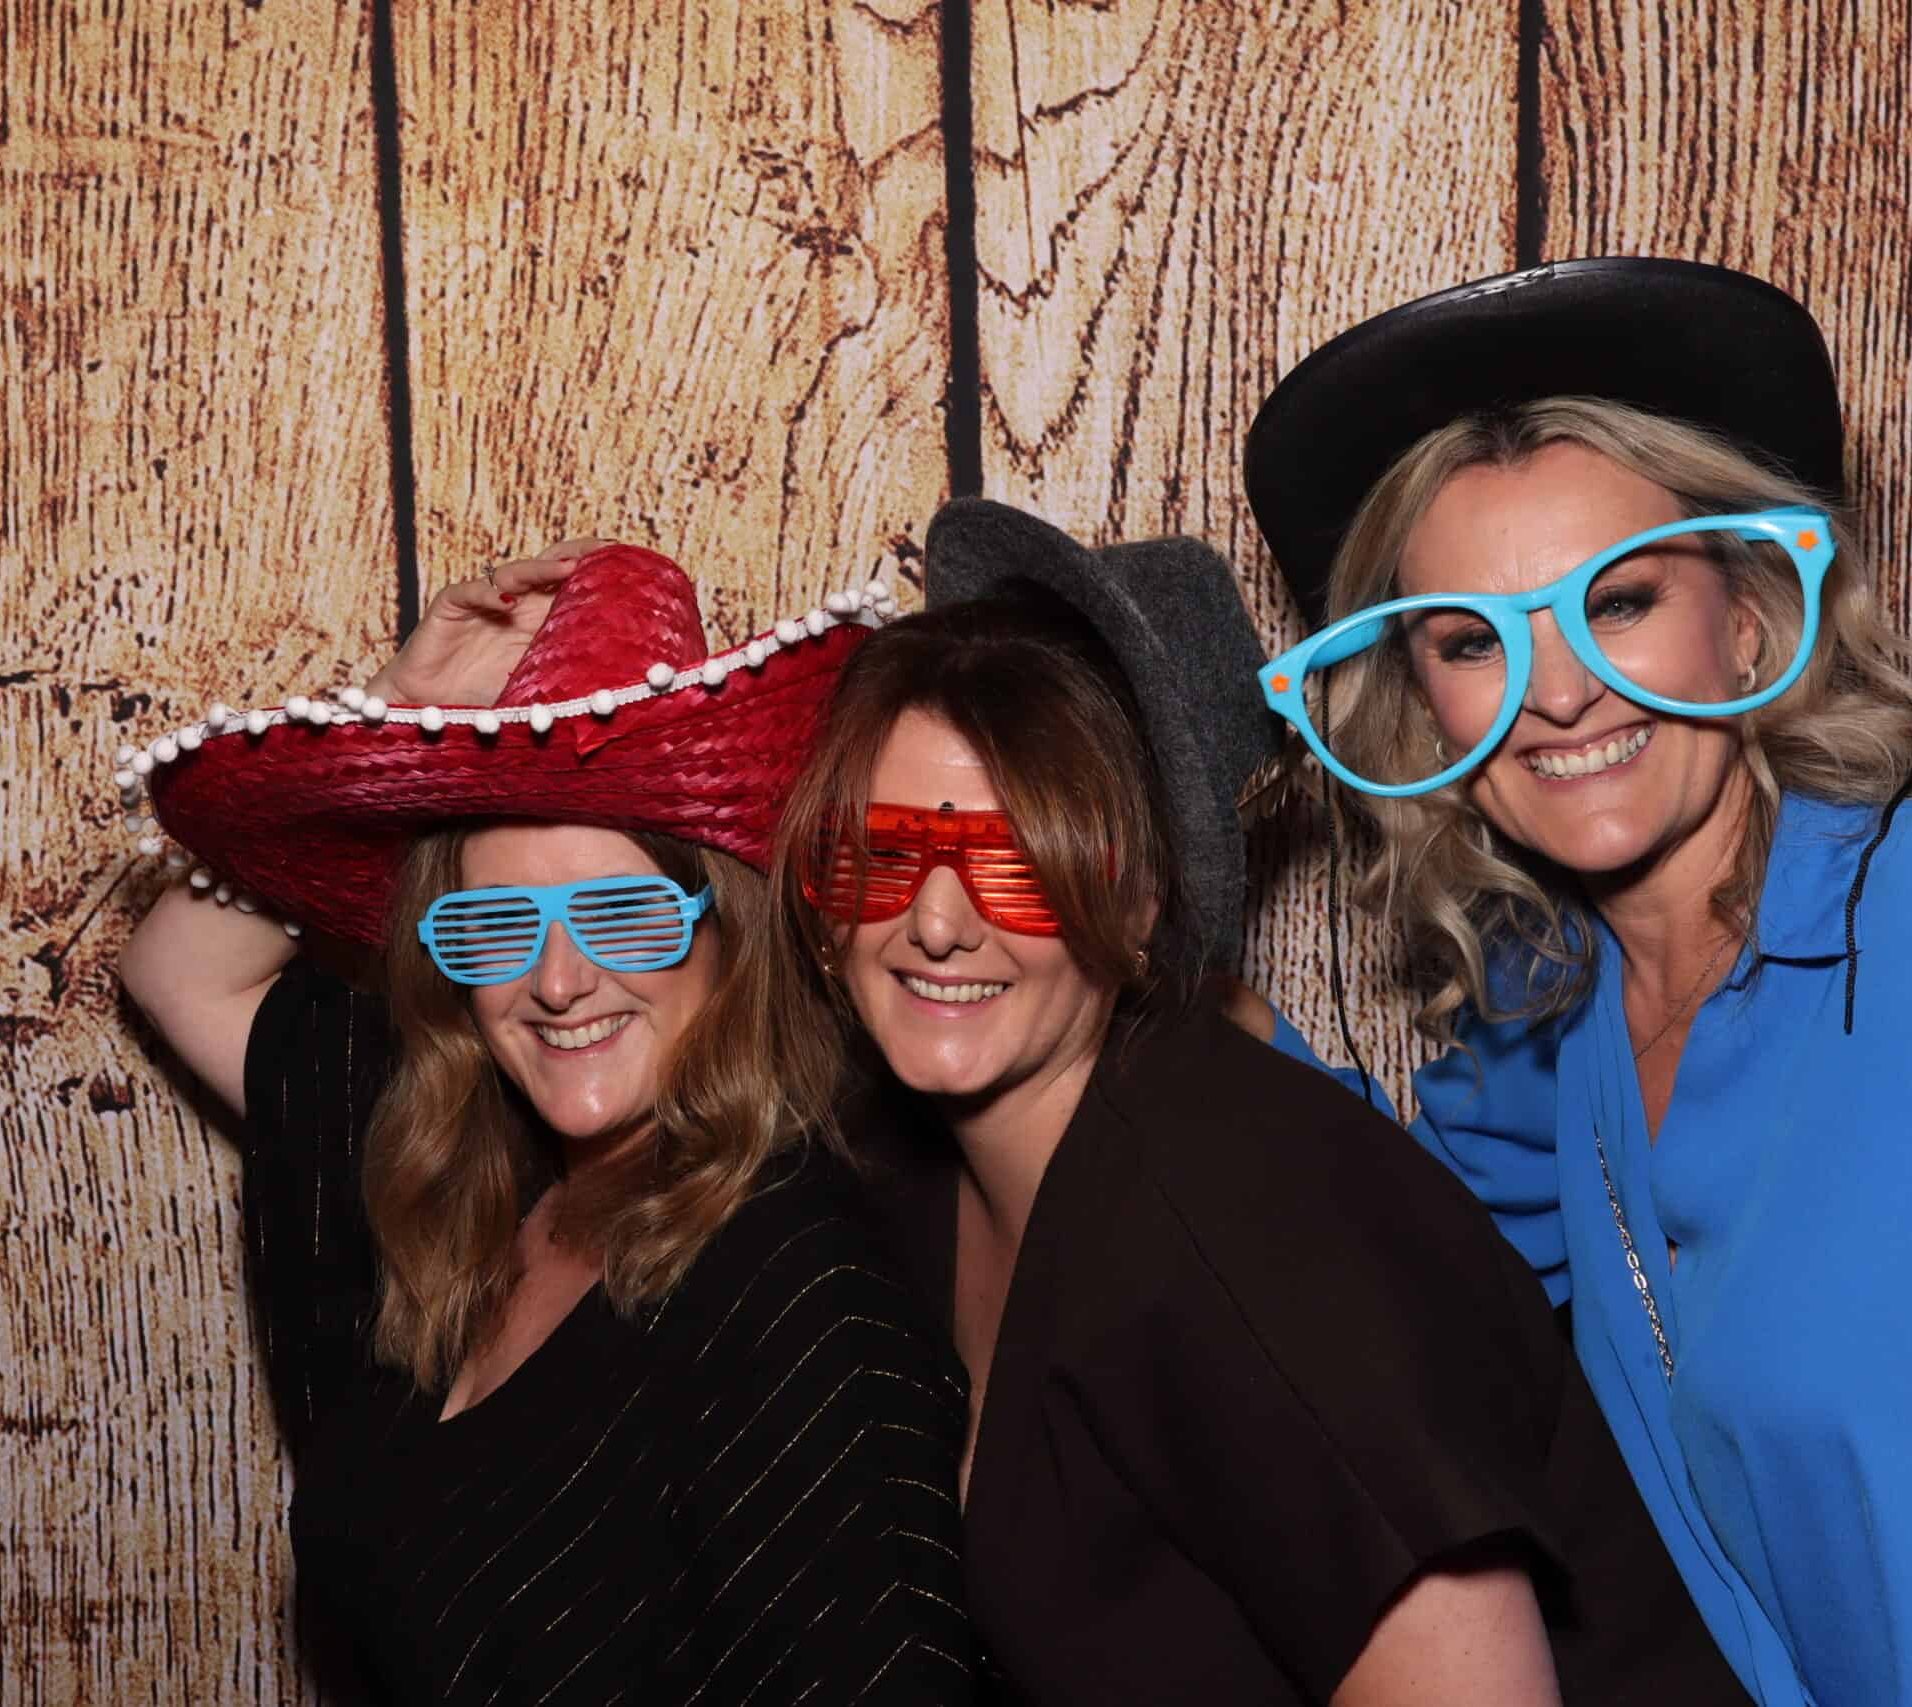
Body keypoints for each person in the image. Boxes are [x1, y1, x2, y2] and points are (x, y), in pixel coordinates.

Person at [1243, 256, 1912, 1706]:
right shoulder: (1553, 1064)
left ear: (1754, 622)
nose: (1561, 689)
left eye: (1623, 599)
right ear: (1421, 700)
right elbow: (1400, 1286)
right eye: (1473, 638)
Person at [771, 499, 1749, 1706]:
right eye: (878, 852)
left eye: (1023, 863)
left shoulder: (1243, 1214)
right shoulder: (924, 1178)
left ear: (1138, 907)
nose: (932, 919)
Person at [114, 542, 978, 1704]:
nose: (558, 981)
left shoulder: (798, 1299)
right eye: (494, 928)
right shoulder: (466, 1174)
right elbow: (178, 973)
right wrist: (404, 711)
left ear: (725, 937)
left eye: (622, 915)